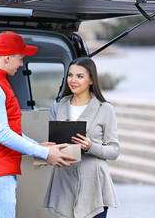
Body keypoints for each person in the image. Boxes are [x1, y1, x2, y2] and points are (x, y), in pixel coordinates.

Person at [0, 31, 77, 218]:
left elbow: (9, 130)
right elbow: (2, 134)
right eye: (20, 59)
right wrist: (45, 154)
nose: (21, 64)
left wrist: (37, 146)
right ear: (7, 57)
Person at [43, 57, 120, 218]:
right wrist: (45, 149)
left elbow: (114, 151)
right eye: (70, 75)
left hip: (94, 187)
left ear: (91, 80)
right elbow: (54, 146)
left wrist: (90, 146)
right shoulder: (57, 108)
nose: (73, 80)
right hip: (64, 184)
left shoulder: (105, 109)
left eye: (80, 76)